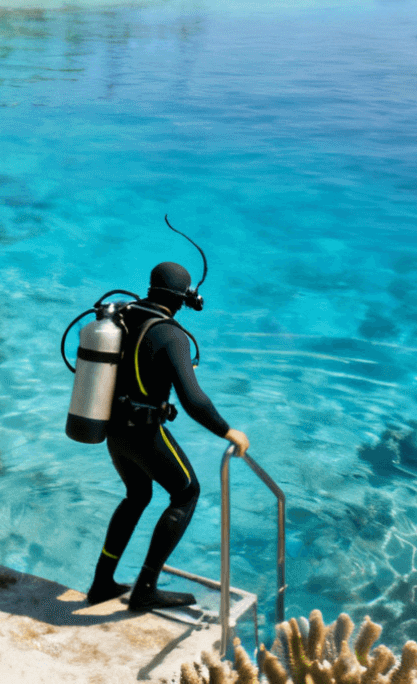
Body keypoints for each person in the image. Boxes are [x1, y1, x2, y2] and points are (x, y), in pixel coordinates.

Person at [86, 261, 250, 610]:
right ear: (186, 297)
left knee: (137, 495)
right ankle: (145, 588)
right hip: (144, 434)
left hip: (113, 430)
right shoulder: (172, 334)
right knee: (186, 492)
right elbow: (194, 401)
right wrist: (228, 431)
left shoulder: (124, 316)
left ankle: (102, 582)